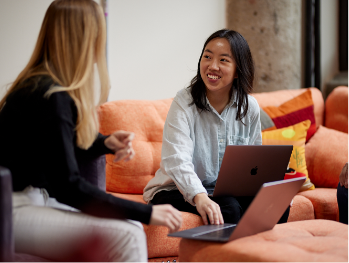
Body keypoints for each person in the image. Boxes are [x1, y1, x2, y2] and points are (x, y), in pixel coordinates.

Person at [0, 1, 182, 262]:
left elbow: (58, 145)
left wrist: (106, 143)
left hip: (31, 201)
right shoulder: (50, 95)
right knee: (130, 234)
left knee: (130, 231)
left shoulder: (43, 85)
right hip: (12, 211)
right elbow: (69, 187)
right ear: (86, 39)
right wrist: (148, 212)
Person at [143, 29, 290, 226]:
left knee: (277, 204)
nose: (212, 66)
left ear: (238, 70)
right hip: (174, 190)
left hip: (222, 191)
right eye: (207, 57)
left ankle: (261, 255)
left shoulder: (249, 107)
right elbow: (176, 160)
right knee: (229, 208)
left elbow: (253, 165)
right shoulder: (184, 103)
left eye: (223, 60)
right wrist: (200, 197)